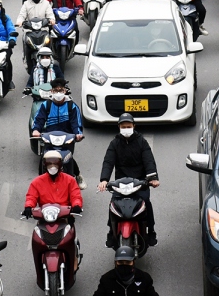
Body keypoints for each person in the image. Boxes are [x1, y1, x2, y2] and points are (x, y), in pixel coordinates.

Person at [98, 113, 160, 247]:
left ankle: (151, 231)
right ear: (119, 127)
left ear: (133, 126)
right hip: (121, 183)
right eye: (123, 126)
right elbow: (108, 162)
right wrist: (104, 180)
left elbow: (149, 161)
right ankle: (111, 231)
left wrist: (153, 178)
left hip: (140, 183)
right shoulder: (114, 143)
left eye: (128, 126)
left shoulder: (142, 142)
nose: (126, 128)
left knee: (146, 203)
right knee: (113, 205)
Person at [31, 78, 85, 186]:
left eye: (61, 90)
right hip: (50, 138)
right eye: (56, 90)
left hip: (67, 139)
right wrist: (36, 130)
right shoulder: (46, 105)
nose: (59, 93)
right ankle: (40, 181)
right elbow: (39, 120)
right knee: (44, 158)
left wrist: (78, 134)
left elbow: (76, 123)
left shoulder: (72, 106)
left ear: (65, 91)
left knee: (68, 158)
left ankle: (77, 175)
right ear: (52, 92)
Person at [93, 246, 160, 296]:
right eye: (121, 262)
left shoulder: (144, 278)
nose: (124, 265)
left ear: (133, 262)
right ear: (115, 263)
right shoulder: (106, 279)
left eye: (128, 262)